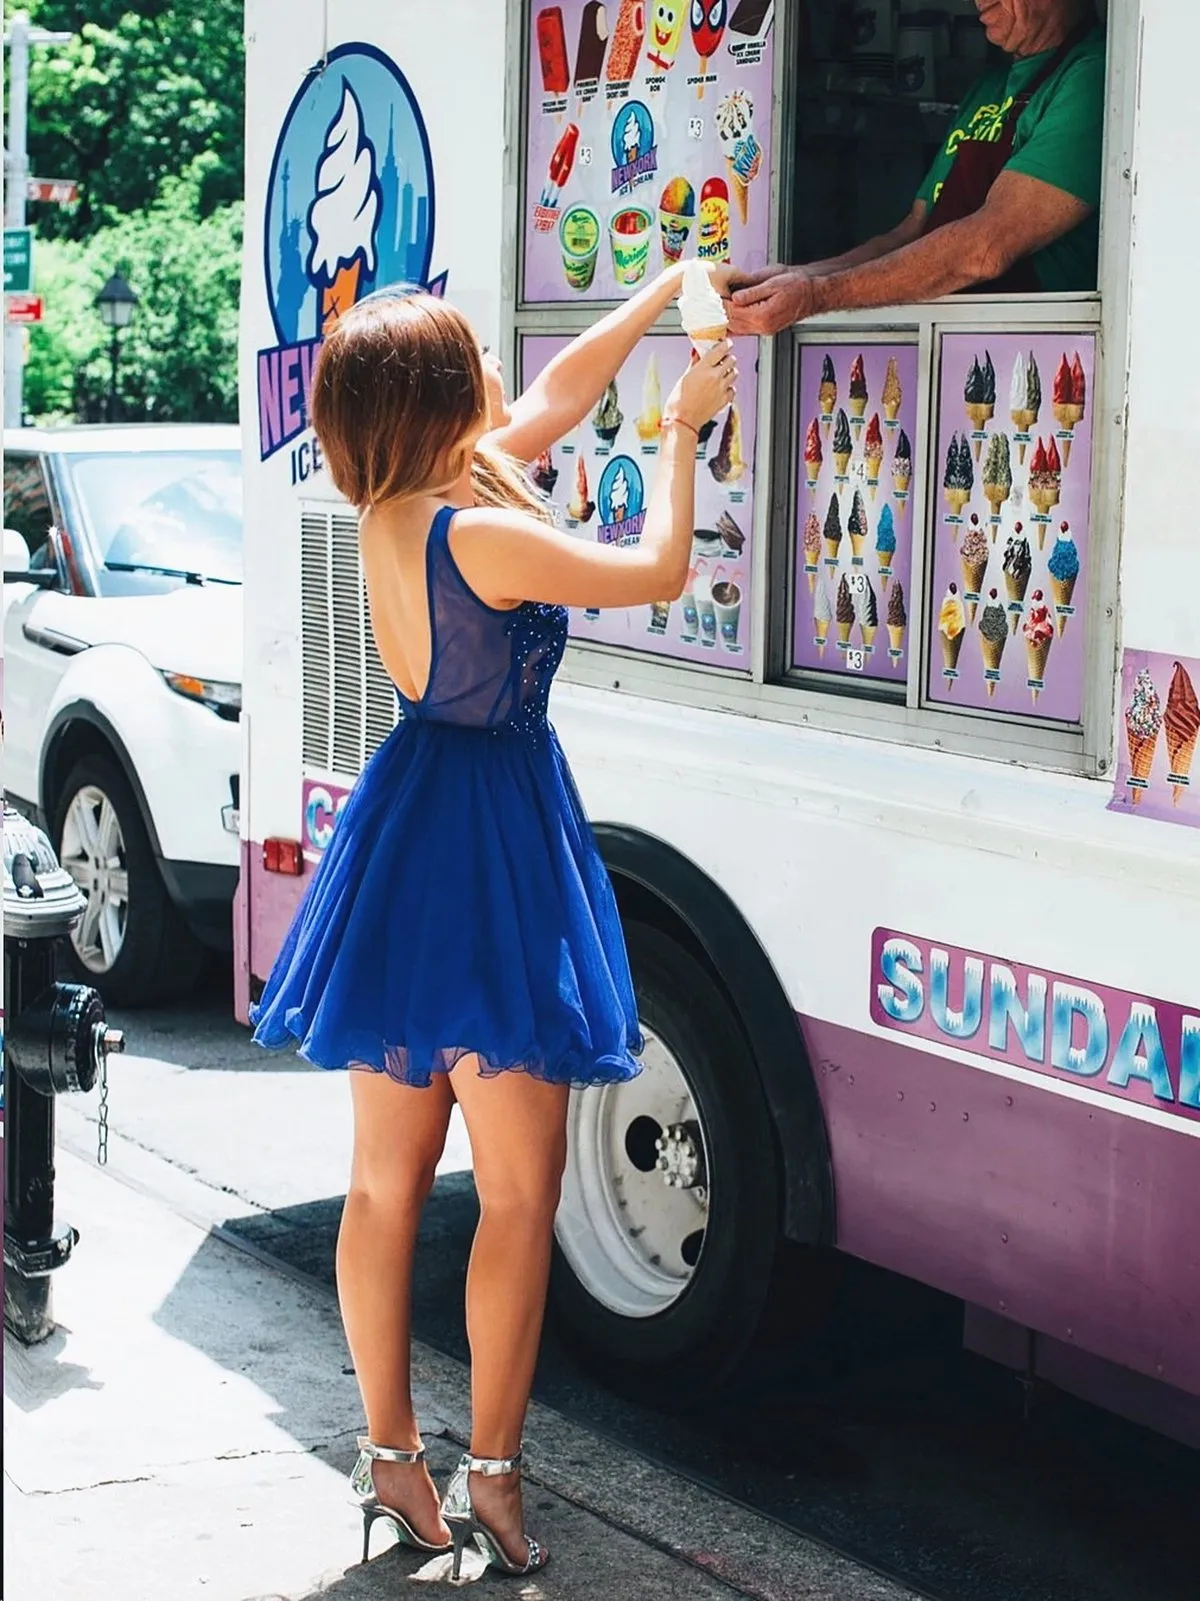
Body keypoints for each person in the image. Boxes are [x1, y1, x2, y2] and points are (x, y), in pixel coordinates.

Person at [249, 265, 736, 1580]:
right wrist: (686, 429)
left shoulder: (402, 506)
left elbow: (561, 394)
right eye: (469, 361)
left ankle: (392, 1458)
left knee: (380, 1185)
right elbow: (660, 569)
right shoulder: (486, 530)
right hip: (500, 845)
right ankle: (499, 1483)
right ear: (441, 395)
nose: (491, 377)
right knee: (518, 1195)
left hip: (407, 834)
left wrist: (658, 294)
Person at [728, 0, 1105, 333]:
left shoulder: (1092, 77)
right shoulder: (988, 88)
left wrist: (816, 296)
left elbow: (987, 247)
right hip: (946, 343)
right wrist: (799, 276)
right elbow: (911, 232)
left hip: (1028, 352)